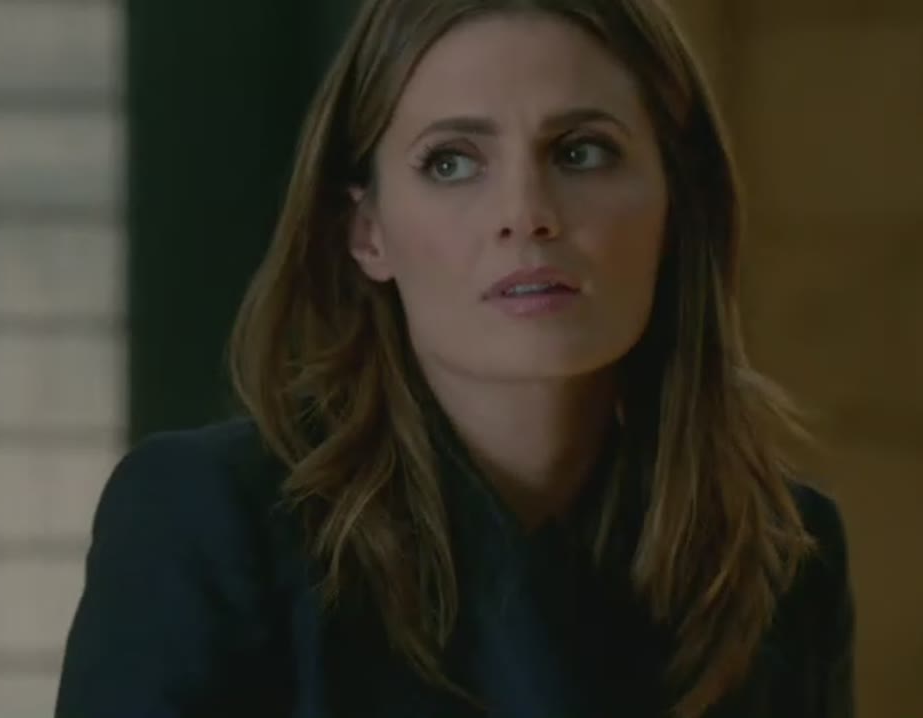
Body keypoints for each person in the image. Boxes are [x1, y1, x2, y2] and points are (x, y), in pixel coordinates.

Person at [54, 0, 855, 716]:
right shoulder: (209, 523)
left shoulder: (775, 557)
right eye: (451, 162)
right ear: (367, 231)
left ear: (680, 206)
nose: (526, 214)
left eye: (581, 152)